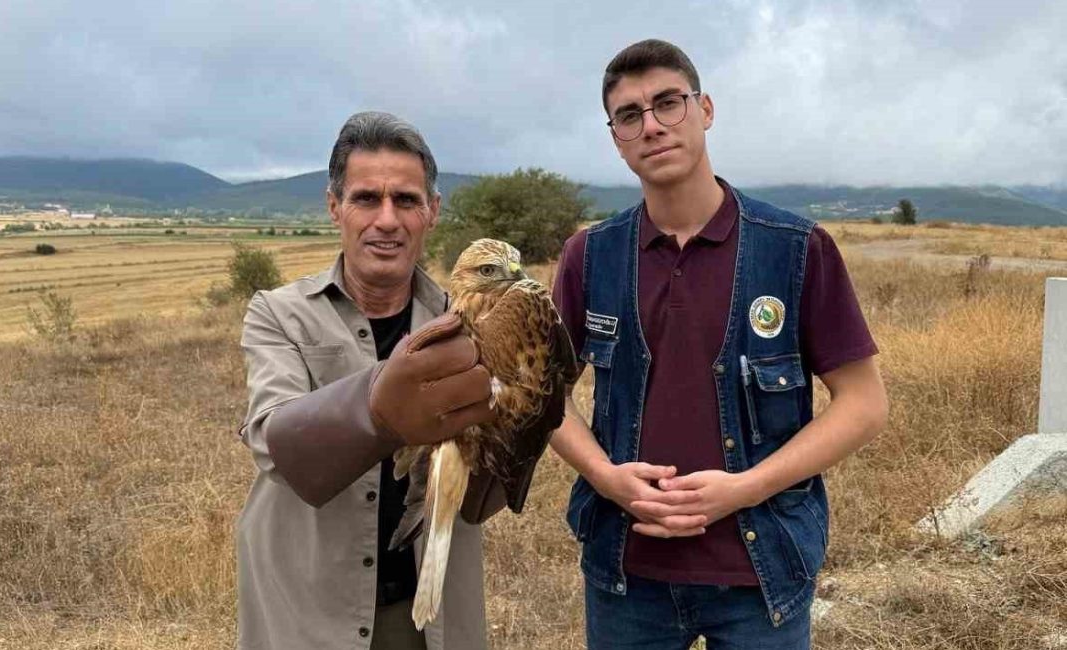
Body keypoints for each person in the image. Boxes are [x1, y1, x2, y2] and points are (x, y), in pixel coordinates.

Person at [549, 39, 889, 649]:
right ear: (616, 138)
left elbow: (864, 405)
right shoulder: (590, 256)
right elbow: (541, 397)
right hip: (626, 574)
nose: (652, 126)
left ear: (704, 109)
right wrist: (605, 476)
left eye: (668, 103)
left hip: (762, 573)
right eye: (629, 115)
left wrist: (744, 488)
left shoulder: (794, 248)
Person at [236, 111, 507, 650]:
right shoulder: (278, 314)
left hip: (427, 613)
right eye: (366, 198)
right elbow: (275, 444)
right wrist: (382, 409)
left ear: (432, 211)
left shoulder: (471, 323)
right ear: (334, 206)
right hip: (307, 615)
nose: (387, 219)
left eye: (406, 200)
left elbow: (488, 489)